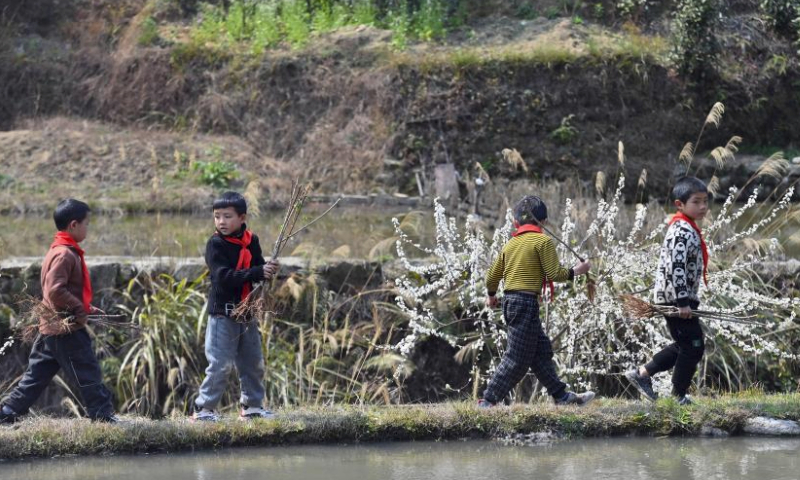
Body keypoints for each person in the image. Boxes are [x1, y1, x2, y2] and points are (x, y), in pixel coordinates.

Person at [0, 199, 118, 423]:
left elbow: (60, 291)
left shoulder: (57, 250)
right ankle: (102, 416)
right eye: (86, 223)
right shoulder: (65, 254)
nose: (88, 228)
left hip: (51, 327)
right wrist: (77, 308)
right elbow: (55, 291)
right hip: (66, 329)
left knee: (36, 376)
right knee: (87, 371)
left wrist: (87, 307)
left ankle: (8, 413)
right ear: (73, 225)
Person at [478, 195, 594, 407]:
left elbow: (492, 276)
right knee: (517, 358)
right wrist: (578, 270)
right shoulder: (543, 241)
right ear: (545, 222)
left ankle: (562, 396)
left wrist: (491, 295)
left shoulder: (510, 244)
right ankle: (488, 400)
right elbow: (554, 273)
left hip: (511, 302)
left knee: (541, 351)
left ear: (515, 223)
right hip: (525, 303)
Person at [192, 191, 280, 421]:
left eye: (227, 216)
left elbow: (258, 268)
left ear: (242, 218)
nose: (221, 221)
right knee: (220, 364)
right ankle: (204, 409)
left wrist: (267, 271)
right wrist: (256, 272)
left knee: (252, 362)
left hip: (247, 312)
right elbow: (223, 276)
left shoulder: (252, 241)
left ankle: (252, 407)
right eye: (217, 216)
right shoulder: (215, 244)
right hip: (223, 312)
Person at [626, 176, 709, 406]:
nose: (703, 206)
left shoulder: (687, 227)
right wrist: (682, 301)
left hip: (679, 299)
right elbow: (676, 266)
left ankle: (642, 374)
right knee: (693, 346)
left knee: (687, 344)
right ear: (679, 204)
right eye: (696, 201)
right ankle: (678, 395)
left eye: (705, 201)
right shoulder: (681, 230)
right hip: (675, 300)